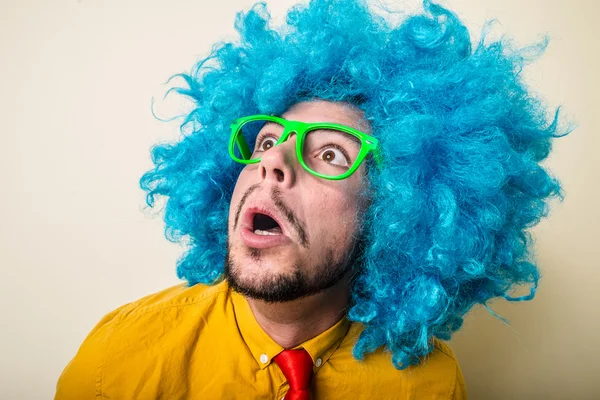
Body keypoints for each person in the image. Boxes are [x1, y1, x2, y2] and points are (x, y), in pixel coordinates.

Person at [55, 0, 567, 398]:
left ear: (395, 212)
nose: (273, 162)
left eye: (329, 154)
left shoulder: (430, 385)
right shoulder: (115, 367)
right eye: (266, 141)